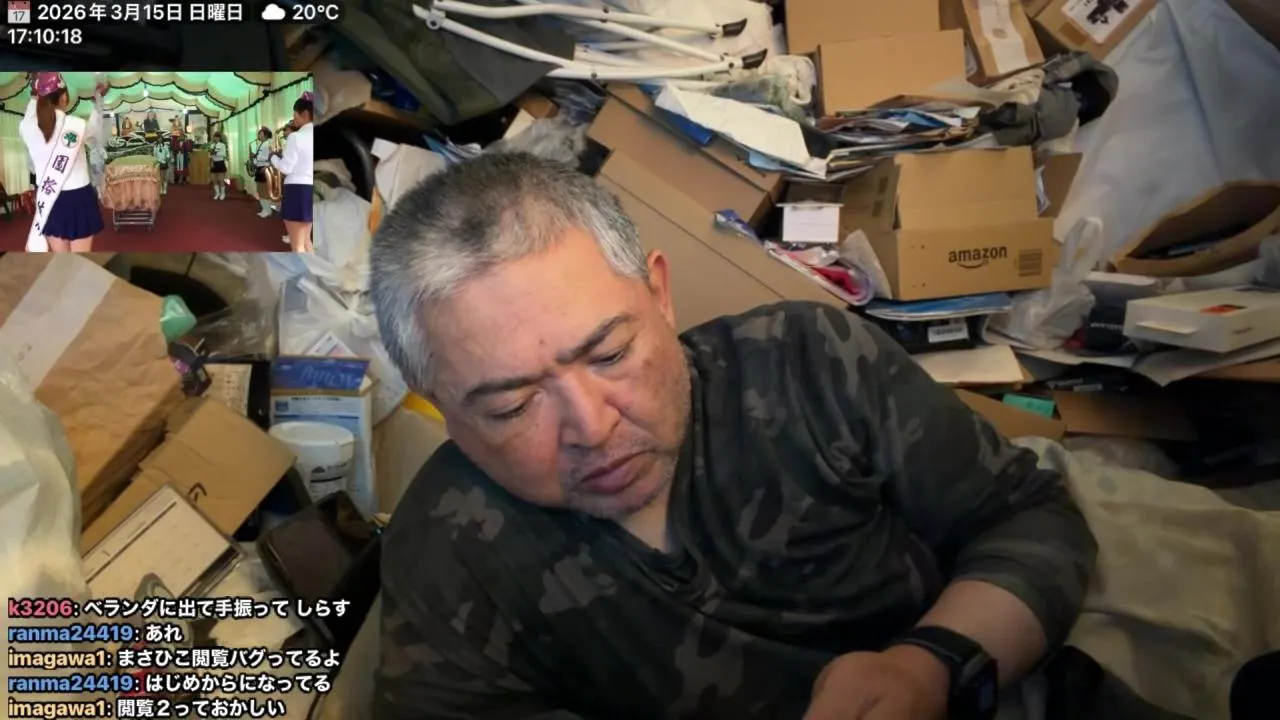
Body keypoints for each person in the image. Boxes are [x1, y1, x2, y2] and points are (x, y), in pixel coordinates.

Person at [365, 153, 1170, 720]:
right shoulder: (447, 555)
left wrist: (930, 667)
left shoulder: (811, 362)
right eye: (512, 406)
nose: (593, 427)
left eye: (609, 354)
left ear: (660, 294)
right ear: (440, 404)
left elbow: (1030, 519)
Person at [18, 71, 106, 253]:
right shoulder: (77, 125)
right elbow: (96, 131)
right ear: (64, 97)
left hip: (49, 197)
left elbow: (31, 111)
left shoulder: (26, 127)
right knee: (81, 259)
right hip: (79, 197)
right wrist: (97, 100)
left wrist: (36, 91)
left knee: (61, 258)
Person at [271, 92, 315, 253]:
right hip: (313, 188)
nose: (293, 118)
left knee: (297, 246)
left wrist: (273, 157)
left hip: (297, 189)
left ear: (305, 114)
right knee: (307, 241)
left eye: (295, 114)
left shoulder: (296, 137)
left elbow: (285, 168)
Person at [251, 126, 275, 219]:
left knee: (264, 190)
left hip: (265, 168)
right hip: (259, 167)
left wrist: (256, 156)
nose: (259, 136)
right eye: (259, 134)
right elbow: (258, 157)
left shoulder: (269, 143)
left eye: (261, 134)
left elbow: (270, 157)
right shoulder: (260, 144)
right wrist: (254, 162)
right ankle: (265, 209)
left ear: (266, 135)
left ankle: (267, 210)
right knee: (260, 190)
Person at [208, 130, 229, 201]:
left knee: (221, 180)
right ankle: (217, 193)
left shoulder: (222, 145)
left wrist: (215, 153)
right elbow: (210, 155)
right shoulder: (212, 145)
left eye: (217, 137)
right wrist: (211, 161)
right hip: (213, 163)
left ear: (220, 138)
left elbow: (224, 154)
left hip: (220, 163)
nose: (216, 138)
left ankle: (223, 193)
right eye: (214, 137)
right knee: (214, 180)